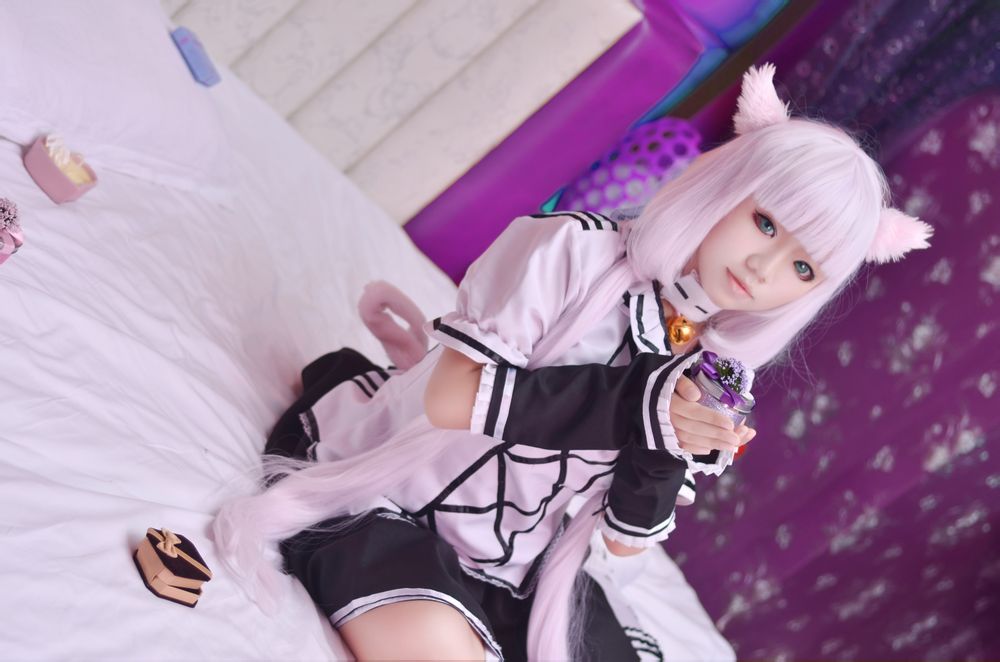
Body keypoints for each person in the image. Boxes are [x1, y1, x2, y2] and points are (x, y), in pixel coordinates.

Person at [212, 63, 933, 661]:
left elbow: (622, 543)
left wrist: (664, 444)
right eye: (765, 222)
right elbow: (452, 399)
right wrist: (640, 406)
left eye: (803, 268)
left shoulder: (708, 366)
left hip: (520, 568)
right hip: (395, 498)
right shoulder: (572, 250)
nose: (763, 268)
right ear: (726, 187)